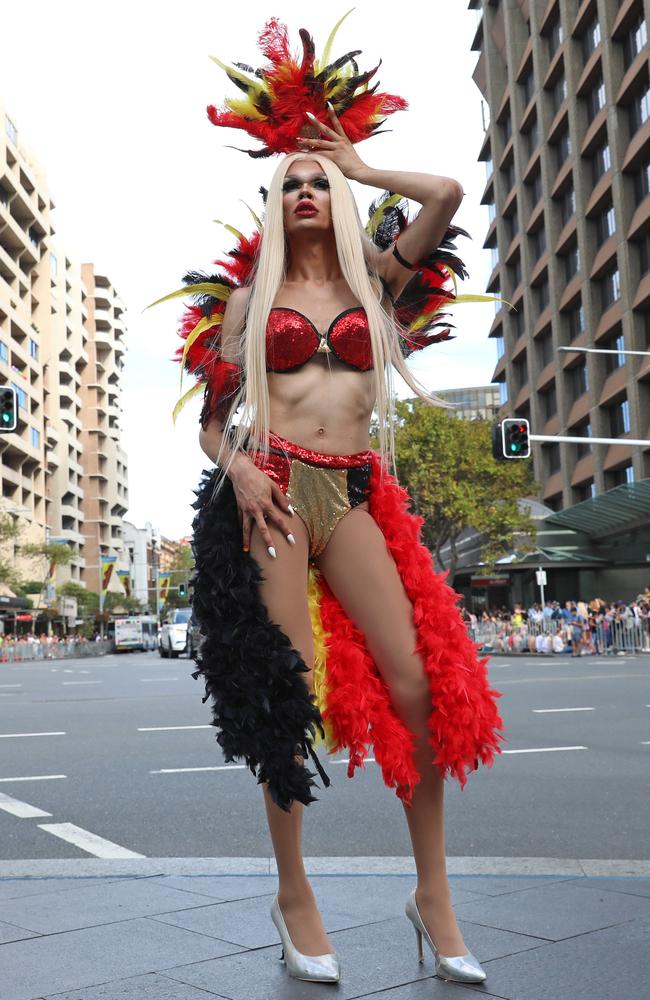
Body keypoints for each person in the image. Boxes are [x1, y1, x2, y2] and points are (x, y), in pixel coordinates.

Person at [164, 16, 506, 989]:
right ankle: (292, 891)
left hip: (352, 494)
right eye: (293, 183)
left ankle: (430, 893)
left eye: (317, 182)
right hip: (272, 492)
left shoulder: (378, 279)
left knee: (417, 687)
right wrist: (232, 468)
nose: (307, 191)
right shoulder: (245, 303)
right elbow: (211, 422)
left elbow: (445, 194)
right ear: (273, 208)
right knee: (288, 694)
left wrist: (358, 165)